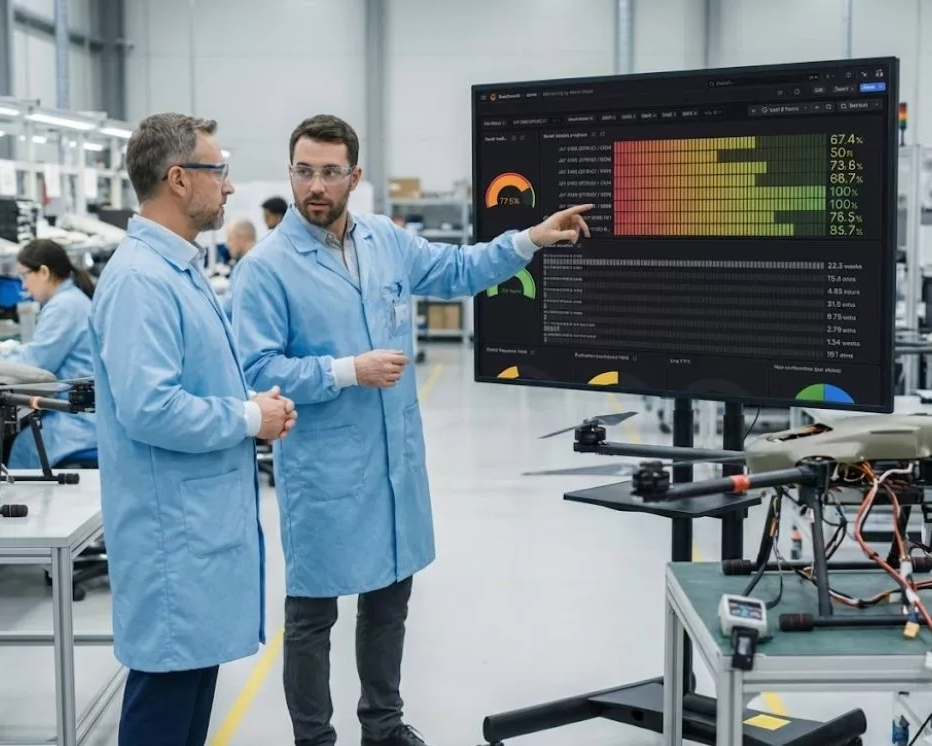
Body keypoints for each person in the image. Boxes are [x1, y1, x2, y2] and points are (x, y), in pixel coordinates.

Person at [230, 113, 591, 746]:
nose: (315, 186)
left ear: (354, 177)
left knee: (389, 603)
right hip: (324, 469)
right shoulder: (266, 267)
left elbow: (457, 270)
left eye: (330, 173)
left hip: (394, 461)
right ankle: (314, 739)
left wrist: (530, 238)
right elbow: (257, 369)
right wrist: (348, 370)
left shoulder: (384, 240)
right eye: (304, 172)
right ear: (290, 173)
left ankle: (384, 726)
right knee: (312, 616)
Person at [87, 111, 297, 746]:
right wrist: (248, 417)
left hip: (195, 533)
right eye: (219, 171)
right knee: (165, 707)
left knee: (188, 703)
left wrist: (247, 402)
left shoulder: (175, 268)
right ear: (179, 179)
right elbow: (150, 408)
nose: (229, 186)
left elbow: (187, 382)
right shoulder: (140, 280)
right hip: (171, 541)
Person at [0, 238, 97, 469]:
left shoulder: (64, 306)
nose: (23, 286)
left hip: (78, 421)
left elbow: (36, 364)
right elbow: (41, 350)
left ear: (44, 272)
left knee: (22, 448)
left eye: (24, 276)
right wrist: (9, 353)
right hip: (81, 413)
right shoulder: (72, 299)